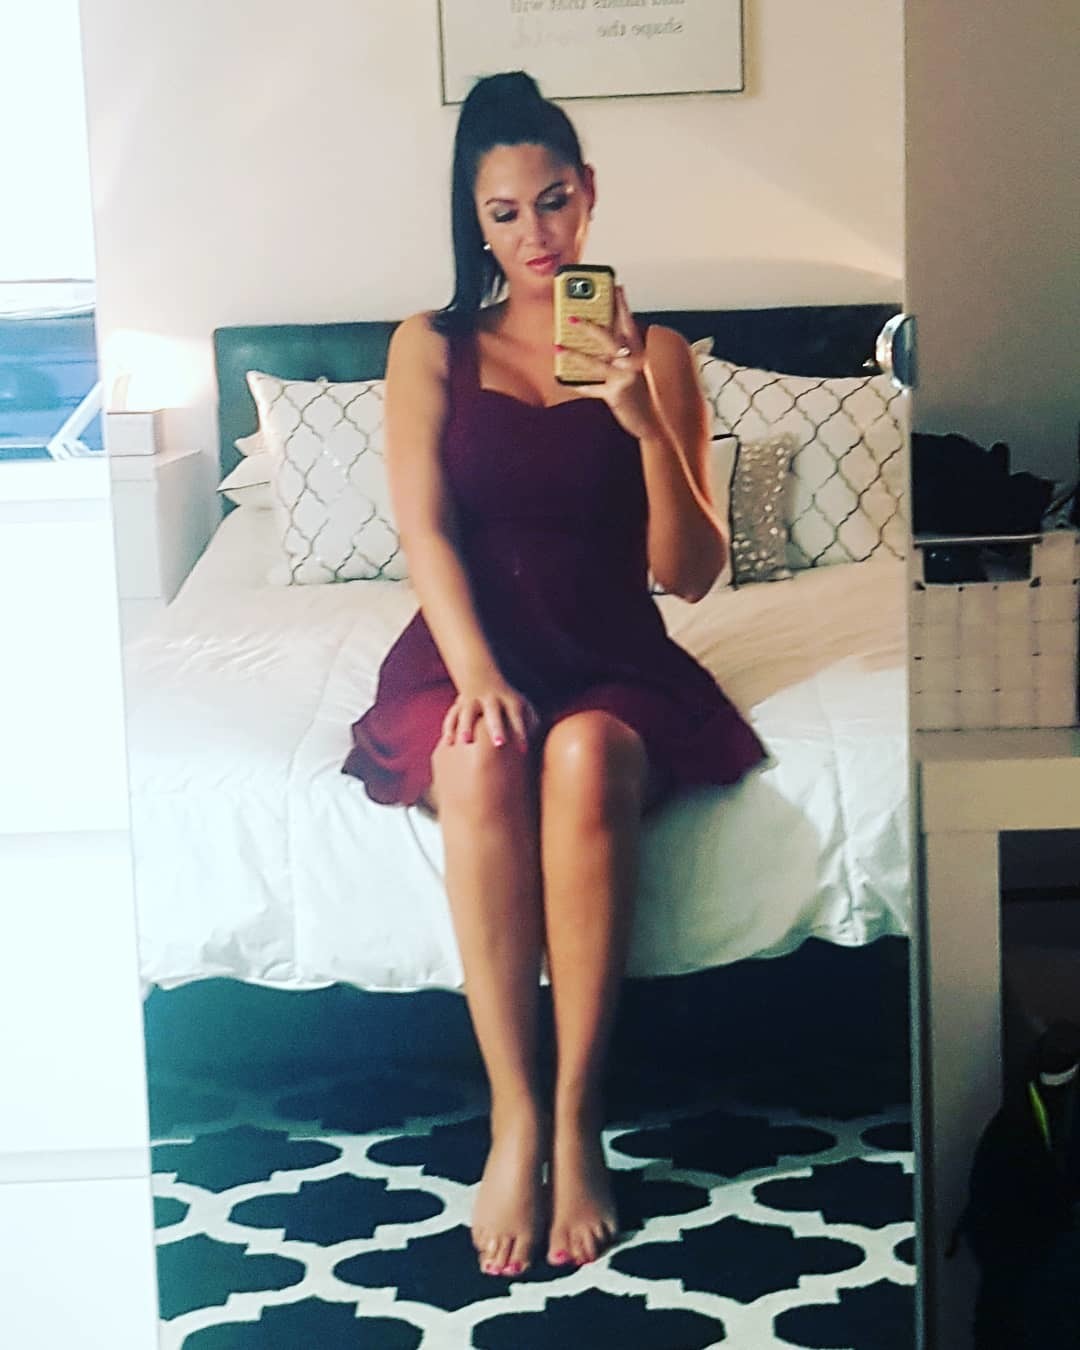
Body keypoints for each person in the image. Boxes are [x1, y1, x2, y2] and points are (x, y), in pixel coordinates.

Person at [343, 70, 767, 1278]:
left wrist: (643, 423)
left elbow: (692, 574)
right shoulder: (429, 346)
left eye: (553, 201)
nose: (535, 235)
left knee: (580, 754)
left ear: (589, 196)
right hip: (468, 645)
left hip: (610, 653)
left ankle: (579, 1119)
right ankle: (514, 1115)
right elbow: (425, 528)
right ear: (475, 222)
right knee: (482, 755)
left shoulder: (659, 353)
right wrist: (476, 673)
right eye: (504, 212)